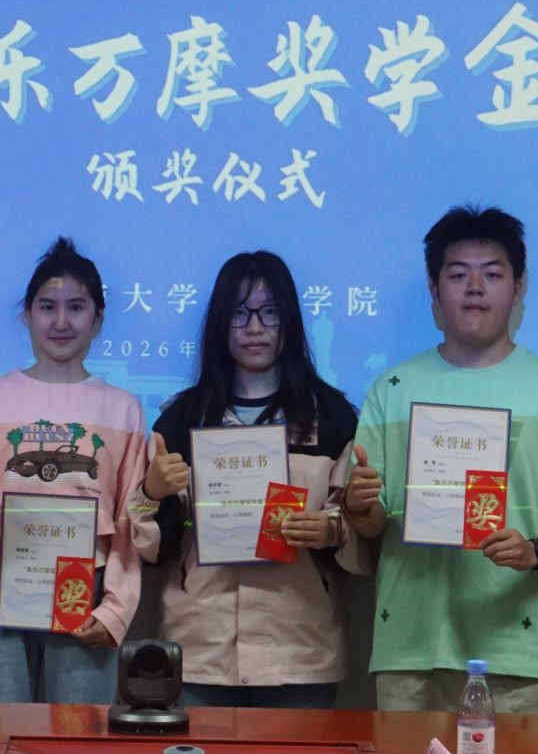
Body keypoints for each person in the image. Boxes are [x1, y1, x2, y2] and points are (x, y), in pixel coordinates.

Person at [347, 205, 538, 714]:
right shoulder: (393, 389)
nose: (475, 288)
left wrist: (535, 549)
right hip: (409, 644)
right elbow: (373, 523)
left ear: (519, 286)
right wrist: (359, 505)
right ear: (435, 289)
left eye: (493, 274)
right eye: (458, 274)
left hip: (514, 644)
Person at [130, 251, 363, 708]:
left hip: (299, 648)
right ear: (220, 323)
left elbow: (354, 524)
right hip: (201, 647)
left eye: (270, 312)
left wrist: (330, 529)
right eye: (239, 312)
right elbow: (154, 549)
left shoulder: (333, 416)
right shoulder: (181, 418)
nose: (255, 327)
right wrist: (151, 493)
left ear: (290, 320)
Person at [0, 238, 148, 704]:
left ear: (98, 319)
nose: (61, 322)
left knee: (78, 736)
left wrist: (116, 609)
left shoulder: (123, 409)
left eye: (76, 307)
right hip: (1, 578)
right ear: (27, 315)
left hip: (88, 583)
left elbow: (129, 522)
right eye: (47, 307)